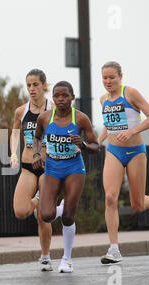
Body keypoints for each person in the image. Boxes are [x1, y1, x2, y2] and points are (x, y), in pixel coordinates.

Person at [98, 61, 149, 264]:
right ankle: (114, 249)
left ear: (121, 76)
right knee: (110, 198)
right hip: (113, 152)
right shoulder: (103, 99)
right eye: (104, 77)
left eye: (112, 77)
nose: (108, 81)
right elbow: (107, 125)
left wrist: (131, 131)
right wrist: (96, 141)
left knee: (137, 205)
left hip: (135, 152)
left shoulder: (131, 93)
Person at [32, 81, 99, 273]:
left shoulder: (81, 119)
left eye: (65, 96)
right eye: (57, 96)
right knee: (46, 215)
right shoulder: (45, 118)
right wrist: (37, 154)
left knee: (69, 217)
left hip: (74, 167)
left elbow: (96, 146)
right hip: (52, 167)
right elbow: (36, 138)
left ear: (72, 97)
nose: (60, 99)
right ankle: (59, 208)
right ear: (52, 98)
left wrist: (84, 145)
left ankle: (66, 259)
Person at [10, 69, 64, 271]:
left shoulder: (55, 109)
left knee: (43, 216)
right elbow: (15, 133)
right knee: (21, 211)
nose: (31, 89)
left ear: (44, 86)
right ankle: (37, 200)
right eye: (28, 85)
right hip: (27, 167)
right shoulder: (21, 111)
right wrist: (13, 155)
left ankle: (45, 256)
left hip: (49, 167)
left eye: (35, 85)